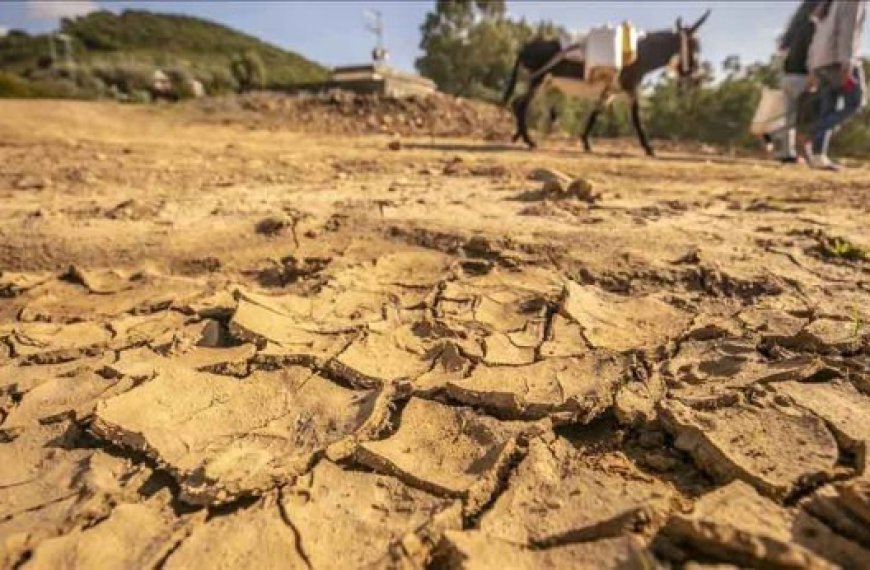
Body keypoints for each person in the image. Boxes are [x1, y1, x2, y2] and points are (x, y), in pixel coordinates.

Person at [804, 0, 867, 170]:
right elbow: (848, 32)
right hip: (838, 61)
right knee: (856, 102)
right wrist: (847, 64)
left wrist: (812, 68)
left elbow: (815, 39)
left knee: (828, 109)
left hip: (821, 62)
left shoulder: (829, 4)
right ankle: (815, 131)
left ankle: (818, 156)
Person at [772, 0, 824, 163]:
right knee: (809, 118)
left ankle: (786, 154)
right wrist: (813, 74)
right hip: (802, 76)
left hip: (787, 76)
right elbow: (812, 53)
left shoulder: (793, 28)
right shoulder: (813, 26)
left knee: (789, 118)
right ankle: (810, 153)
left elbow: (784, 53)